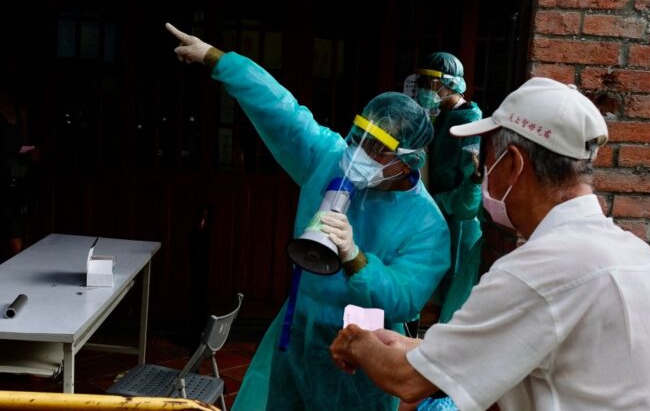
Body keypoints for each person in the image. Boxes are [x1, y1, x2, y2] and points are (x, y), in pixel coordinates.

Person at [330, 77, 650, 410]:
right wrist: (421, 351)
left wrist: (355, 343)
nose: (484, 172)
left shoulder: (540, 269)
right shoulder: (635, 253)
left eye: (487, 160)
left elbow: (406, 381)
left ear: (514, 164)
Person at [165, 23, 451, 410]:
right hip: (298, 332)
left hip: (361, 357)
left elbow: (406, 298)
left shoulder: (425, 223)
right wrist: (220, 60)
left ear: (408, 162)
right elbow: (282, 112)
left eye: (377, 149)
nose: (358, 154)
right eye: (358, 137)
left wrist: (354, 258)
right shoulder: (328, 158)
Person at [412, 51, 484, 411]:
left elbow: (468, 194)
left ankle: (447, 395)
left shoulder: (469, 120)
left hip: (458, 222)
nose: (426, 89)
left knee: (453, 310)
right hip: (440, 215)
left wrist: (437, 203)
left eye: (431, 83)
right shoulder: (442, 118)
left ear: (446, 84)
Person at [0, 77, 35, 261]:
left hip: (20, 182)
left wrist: (31, 152)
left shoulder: (20, 115)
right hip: (3, 182)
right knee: (13, 241)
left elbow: (24, 143)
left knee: (22, 237)